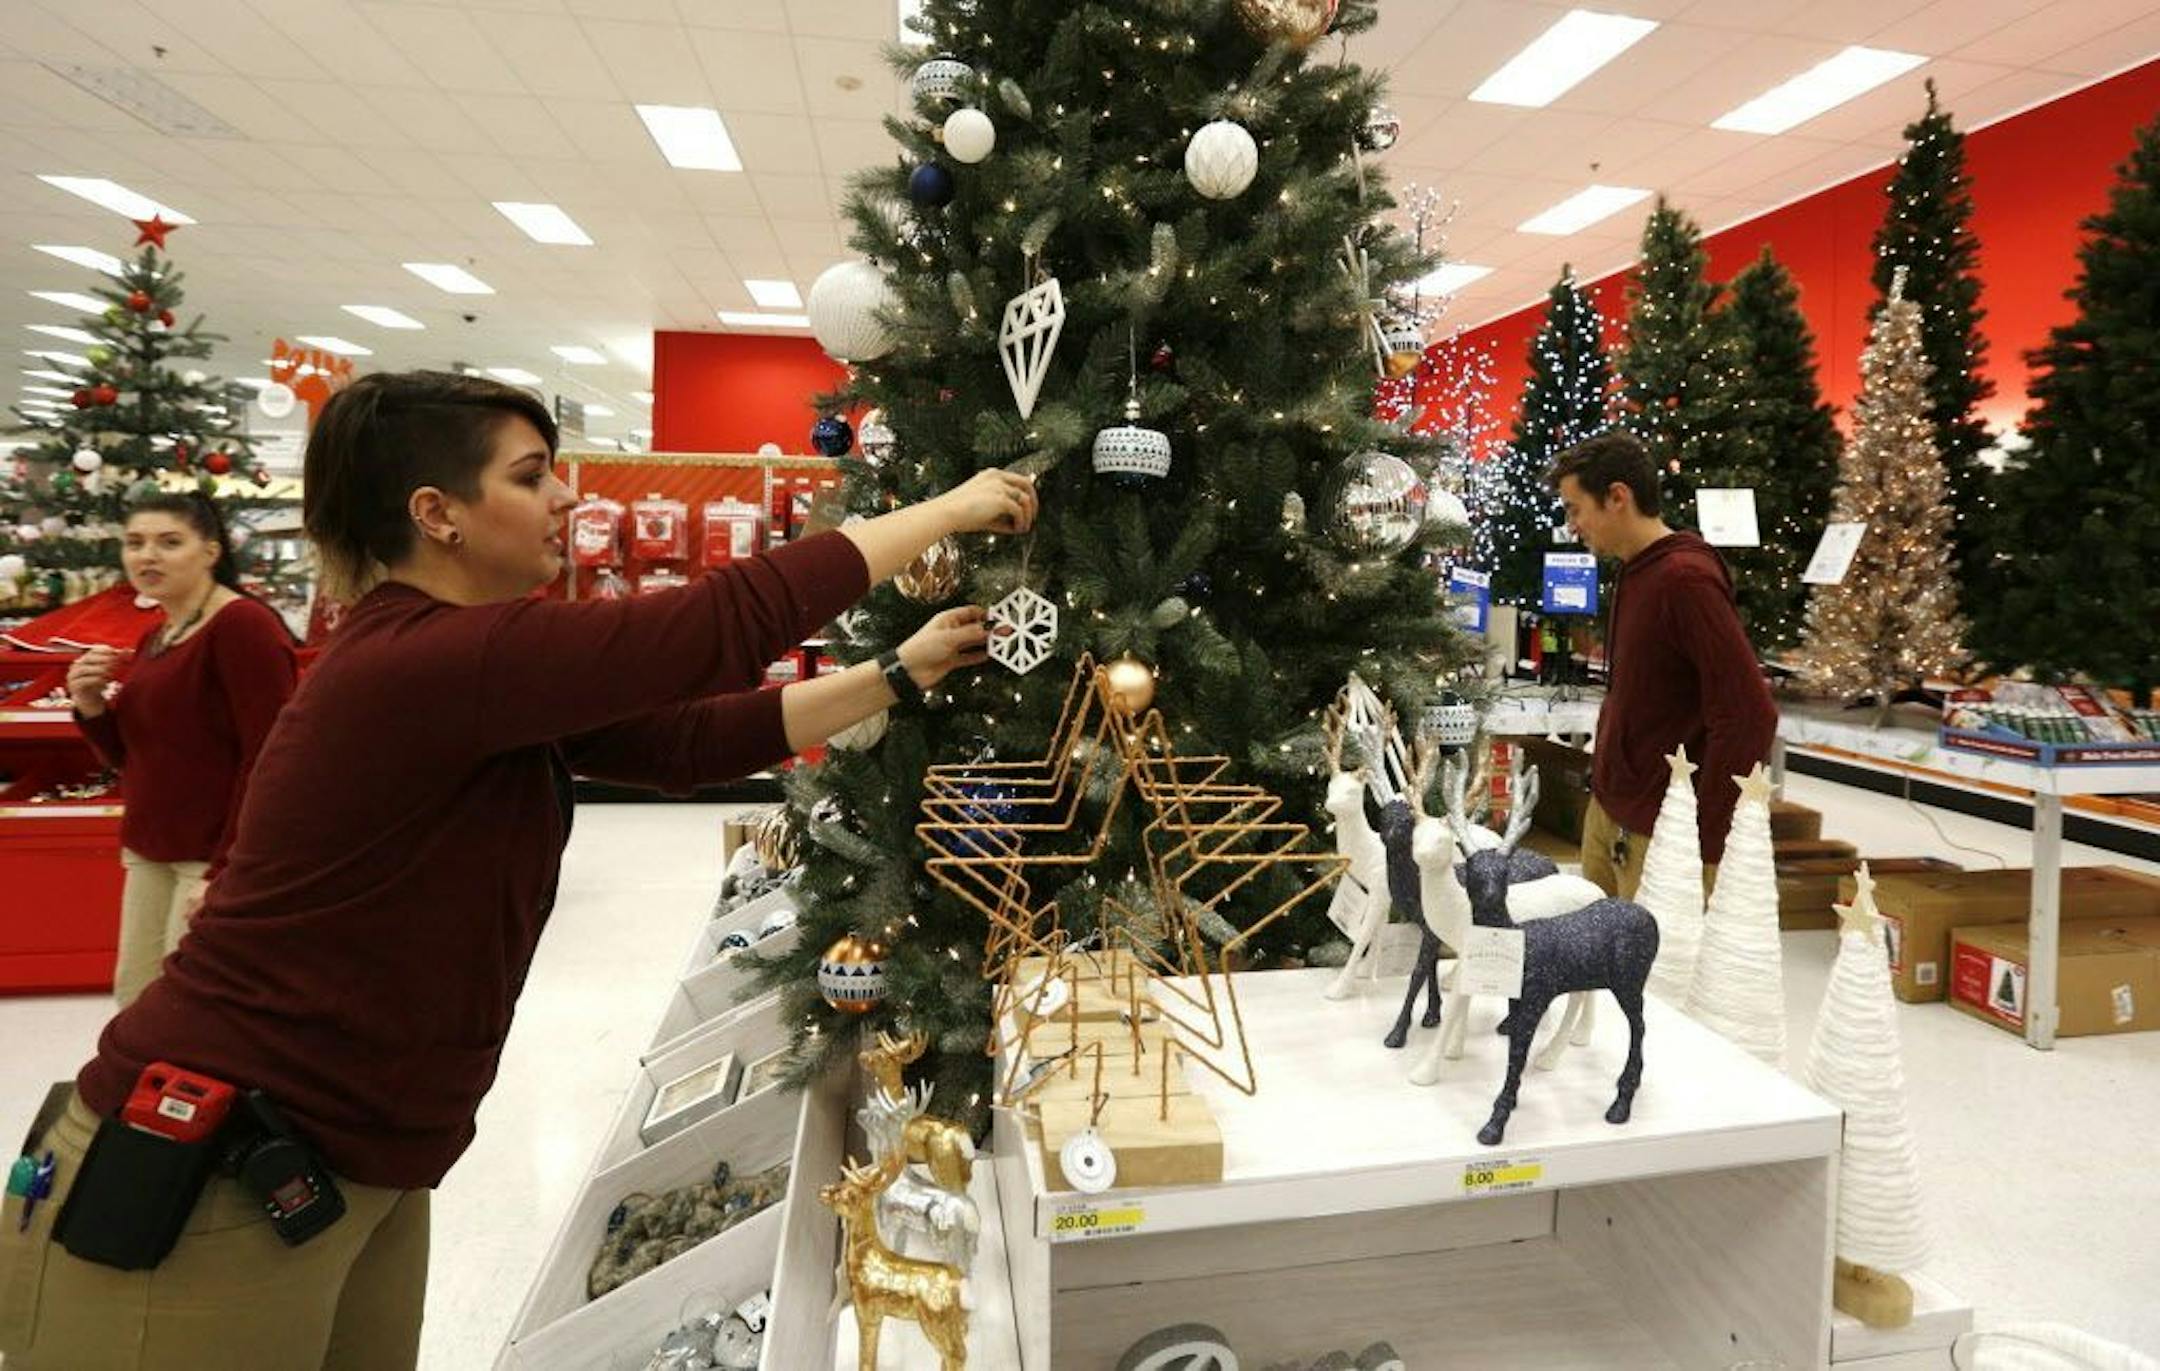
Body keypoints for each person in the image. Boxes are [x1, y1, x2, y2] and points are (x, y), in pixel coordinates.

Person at [0, 371, 1036, 1370]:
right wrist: (946, 508)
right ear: (438, 513)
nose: (569, 496)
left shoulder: (466, 670)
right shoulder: (429, 660)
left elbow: (685, 743)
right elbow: (717, 629)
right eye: (533, 474)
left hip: (359, 1164)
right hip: (212, 1169)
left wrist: (896, 674)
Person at [67, 492, 299, 1007]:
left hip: (211, 855)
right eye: (135, 543)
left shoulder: (242, 626)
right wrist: (88, 704)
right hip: (152, 845)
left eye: (169, 543)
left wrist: (228, 869)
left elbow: (271, 757)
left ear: (210, 552)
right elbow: (132, 755)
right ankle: (141, 1088)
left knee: (191, 1006)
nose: (147, 556)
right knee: (137, 998)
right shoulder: (157, 635)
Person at [1549, 431, 1778, 898]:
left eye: (1575, 509)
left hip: (1659, 836)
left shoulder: (1684, 580)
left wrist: (1703, 838)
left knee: (1656, 972)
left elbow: (1748, 713)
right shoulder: (1636, 568)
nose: (1573, 525)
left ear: (1617, 497)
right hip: (1614, 813)